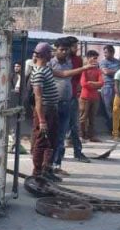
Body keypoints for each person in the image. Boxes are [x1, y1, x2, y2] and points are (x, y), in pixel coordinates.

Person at [30, 42, 88, 182]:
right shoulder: (38, 72)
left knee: (52, 141)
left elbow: (63, 74)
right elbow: (38, 98)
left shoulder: (47, 68)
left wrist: (84, 68)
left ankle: (47, 169)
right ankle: (37, 172)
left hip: (52, 109)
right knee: (42, 142)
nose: (52, 54)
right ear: (44, 55)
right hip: (45, 111)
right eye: (50, 52)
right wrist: (42, 120)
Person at [49, 38, 92, 174]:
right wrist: (84, 68)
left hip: (67, 102)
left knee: (61, 136)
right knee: (52, 136)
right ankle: (47, 165)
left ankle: (56, 165)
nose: (64, 52)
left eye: (66, 49)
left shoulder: (68, 61)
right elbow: (63, 74)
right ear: (55, 49)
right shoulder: (50, 63)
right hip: (53, 104)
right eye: (61, 49)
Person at [79, 50, 104, 142]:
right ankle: (81, 135)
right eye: (94, 58)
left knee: (92, 118)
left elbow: (102, 83)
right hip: (85, 97)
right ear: (88, 58)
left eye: (96, 58)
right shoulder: (84, 69)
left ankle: (91, 135)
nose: (95, 60)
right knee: (83, 117)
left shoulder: (98, 70)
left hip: (95, 98)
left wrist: (91, 83)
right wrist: (95, 84)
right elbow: (83, 84)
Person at [99, 45, 120, 129]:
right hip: (107, 87)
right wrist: (117, 72)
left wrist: (113, 72)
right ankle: (111, 127)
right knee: (108, 107)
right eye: (104, 52)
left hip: (117, 87)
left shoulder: (117, 62)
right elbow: (106, 72)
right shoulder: (103, 62)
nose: (104, 54)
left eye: (106, 52)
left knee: (117, 107)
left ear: (112, 52)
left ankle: (117, 126)